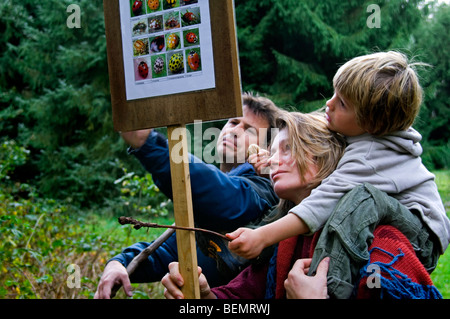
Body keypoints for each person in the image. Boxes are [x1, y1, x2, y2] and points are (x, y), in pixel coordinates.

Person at [162, 111, 443, 299]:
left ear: (322, 158)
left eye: (287, 149)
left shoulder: (381, 239)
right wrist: (201, 295)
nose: (272, 160)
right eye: (272, 152)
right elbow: (241, 298)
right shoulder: (286, 239)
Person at [227, 51, 450, 269]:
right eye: (334, 94)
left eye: (342, 103)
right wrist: (276, 160)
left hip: (421, 237)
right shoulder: (375, 133)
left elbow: (322, 202)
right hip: (412, 226)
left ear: (371, 123)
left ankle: (329, 283)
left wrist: (262, 236)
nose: (329, 104)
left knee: (355, 204)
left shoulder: (371, 155)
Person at [94, 92, 281, 299]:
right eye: (233, 122)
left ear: (266, 149)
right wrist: (119, 263)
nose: (235, 131)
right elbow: (167, 250)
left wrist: (149, 144)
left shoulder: (267, 190)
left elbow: (224, 197)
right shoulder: (210, 189)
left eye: (250, 130)